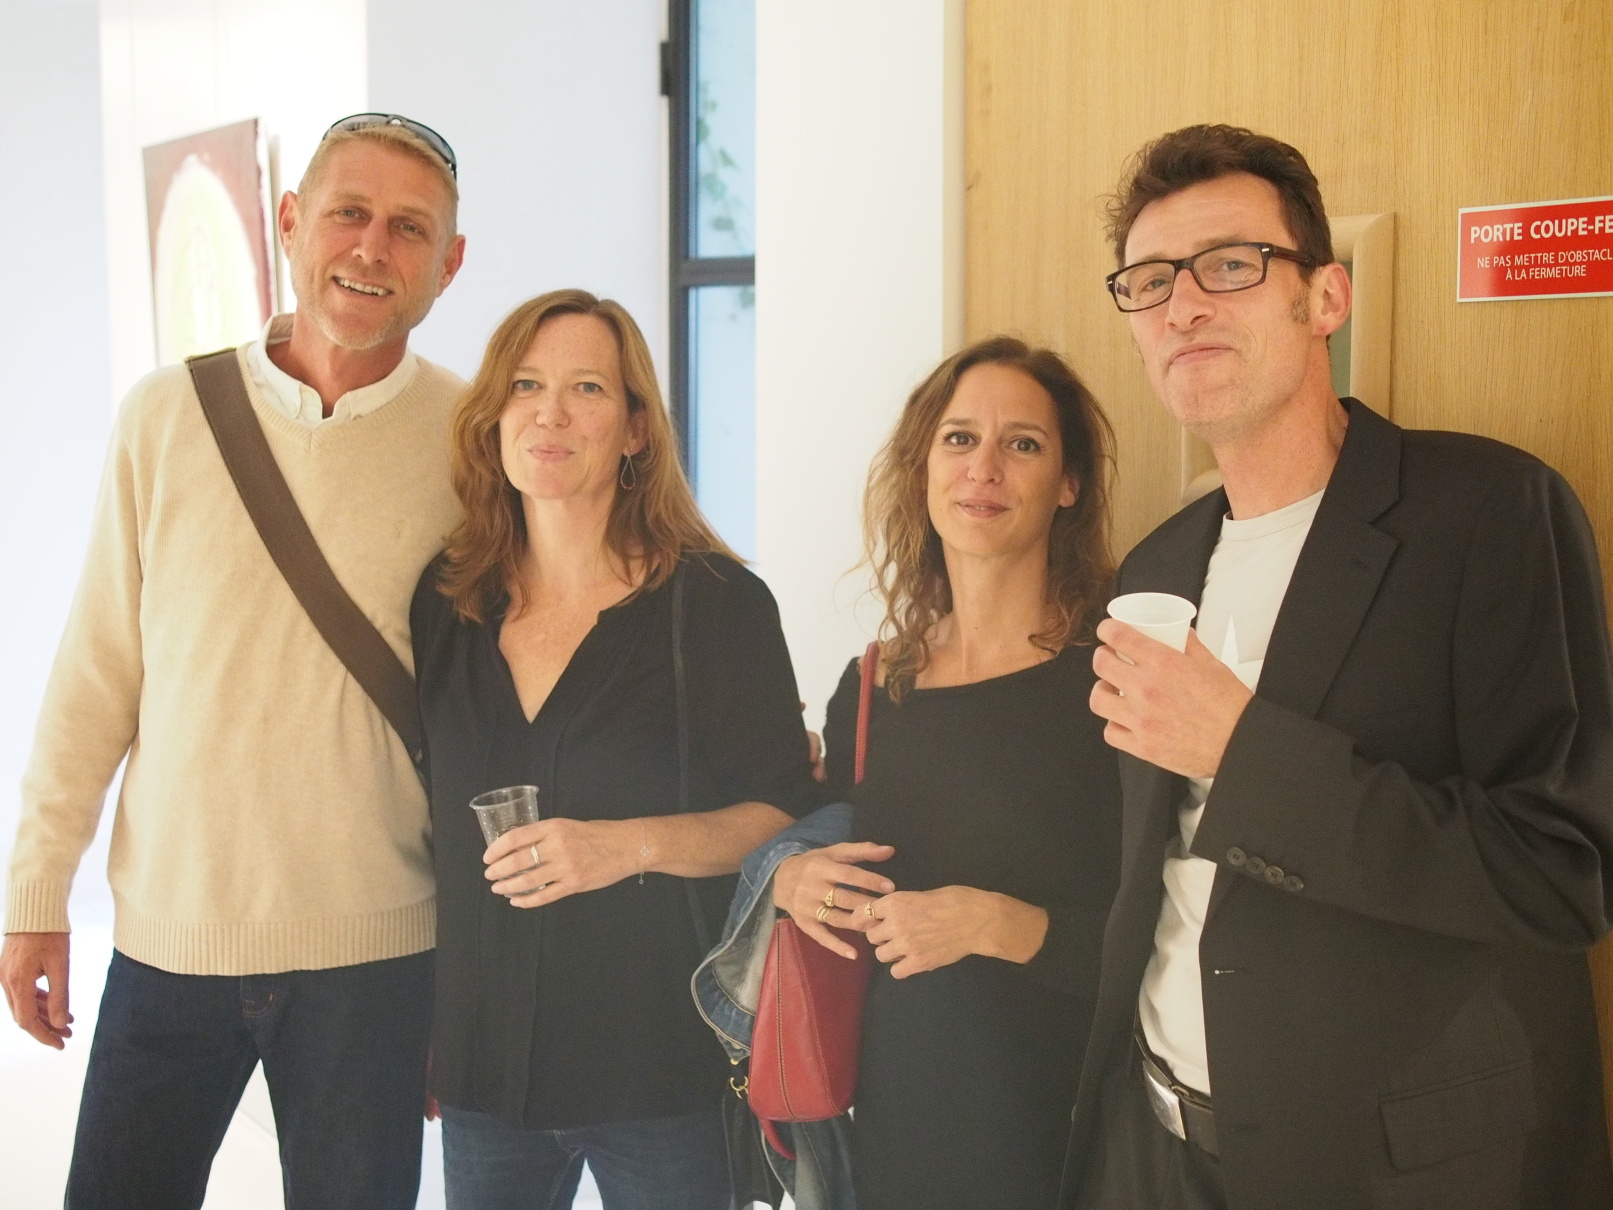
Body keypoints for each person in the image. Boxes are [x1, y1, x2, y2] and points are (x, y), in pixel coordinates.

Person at [1062, 124, 1613, 1210]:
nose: (1181, 305)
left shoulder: (1487, 512)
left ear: (1325, 297)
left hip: (1385, 1170)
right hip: (1152, 1146)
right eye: (1149, 281)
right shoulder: (1156, 562)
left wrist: (1241, 754)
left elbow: (1559, 875)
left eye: (1228, 265)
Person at [0, 113, 466, 1207]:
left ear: (449, 263)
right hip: (172, 938)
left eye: (409, 228)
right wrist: (36, 891)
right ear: (291, 221)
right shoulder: (164, 417)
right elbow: (97, 673)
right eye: (348, 213)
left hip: (376, 953)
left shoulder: (472, 442)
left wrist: (477, 981)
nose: (371, 248)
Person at [410, 288, 824, 1209]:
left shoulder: (715, 606)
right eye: (525, 385)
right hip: (485, 1068)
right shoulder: (447, 602)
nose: (550, 413)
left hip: (658, 1072)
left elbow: (778, 816)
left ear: (636, 428)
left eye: (587, 388)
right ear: (494, 416)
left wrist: (621, 846)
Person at [770, 336, 1123, 1209]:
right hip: (894, 1130)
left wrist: (1000, 924)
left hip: (1069, 1136)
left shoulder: (1116, 679)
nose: (983, 469)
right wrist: (793, 879)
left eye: (1022, 444)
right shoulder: (870, 685)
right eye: (959, 439)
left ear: (1068, 484)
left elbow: (1180, 938)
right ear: (922, 469)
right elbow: (831, 860)